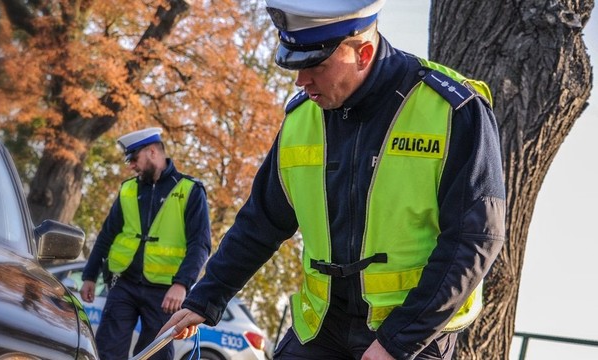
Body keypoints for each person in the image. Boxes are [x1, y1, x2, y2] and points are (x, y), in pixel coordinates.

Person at [161, 1, 506, 359]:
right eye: (296, 65)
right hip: (321, 327)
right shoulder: (300, 118)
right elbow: (261, 222)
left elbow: (474, 240)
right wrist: (206, 296)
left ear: (363, 53)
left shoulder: (453, 110)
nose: (301, 79)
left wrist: (396, 342)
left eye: (316, 65)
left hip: (410, 334)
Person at [80, 127, 211, 360]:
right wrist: (90, 275)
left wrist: (182, 285)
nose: (131, 165)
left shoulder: (190, 190)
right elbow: (106, 235)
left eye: (134, 158)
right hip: (123, 284)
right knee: (107, 350)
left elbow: (200, 244)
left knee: (155, 355)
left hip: (165, 293)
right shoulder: (128, 189)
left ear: (152, 152)